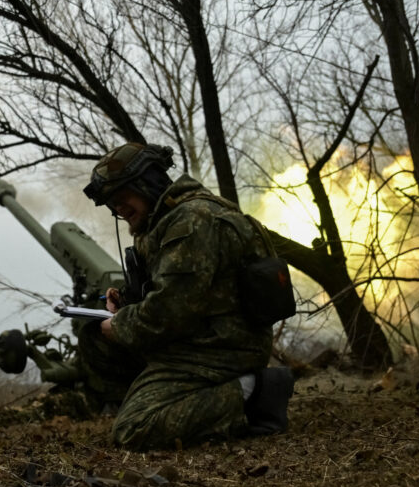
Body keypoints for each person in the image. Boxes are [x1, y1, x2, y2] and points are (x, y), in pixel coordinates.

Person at [80, 142, 294, 450]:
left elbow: (170, 312)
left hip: (221, 349)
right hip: (198, 338)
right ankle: (162, 398)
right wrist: (125, 305)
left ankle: (253, 392)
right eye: (111, 202)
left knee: (134, 429)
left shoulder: (192, 221)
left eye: (121, 196)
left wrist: (122, 323)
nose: (117, 208)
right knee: (95, 338)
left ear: (147, 183)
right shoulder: (164, 221)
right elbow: (178, 295)